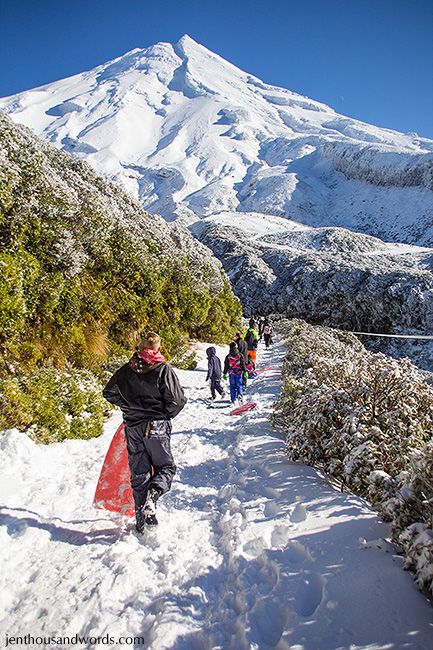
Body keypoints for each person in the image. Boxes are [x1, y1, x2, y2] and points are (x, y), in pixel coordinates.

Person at [103, 332, 187, 532]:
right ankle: (153, 497)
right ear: (158, 348)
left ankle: (141, 522)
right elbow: (177, 400)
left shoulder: (127, 369)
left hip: (133, 426)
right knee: (165, 467)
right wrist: (164, 414)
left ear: (139, 347)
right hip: (156, 425)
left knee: (139, 473)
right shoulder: (163, 369)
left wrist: (128, 407)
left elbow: (108, 392)